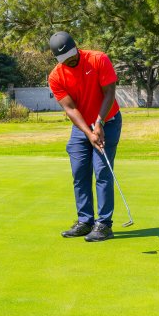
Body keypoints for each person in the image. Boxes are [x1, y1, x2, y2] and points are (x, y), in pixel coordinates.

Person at [48, 31, 122, 242]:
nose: (70, 60)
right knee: (79, 172)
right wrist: (88, 132)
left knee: (102, 171)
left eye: (72, 55)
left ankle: (104, 224)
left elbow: (109, 92)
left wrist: (99, 123)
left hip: (109, 121)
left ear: (76, 48)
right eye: (64, 59)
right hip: (81, 127)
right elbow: (70, 109)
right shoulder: (56, 76)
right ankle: (85, 221)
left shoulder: (98, 59)